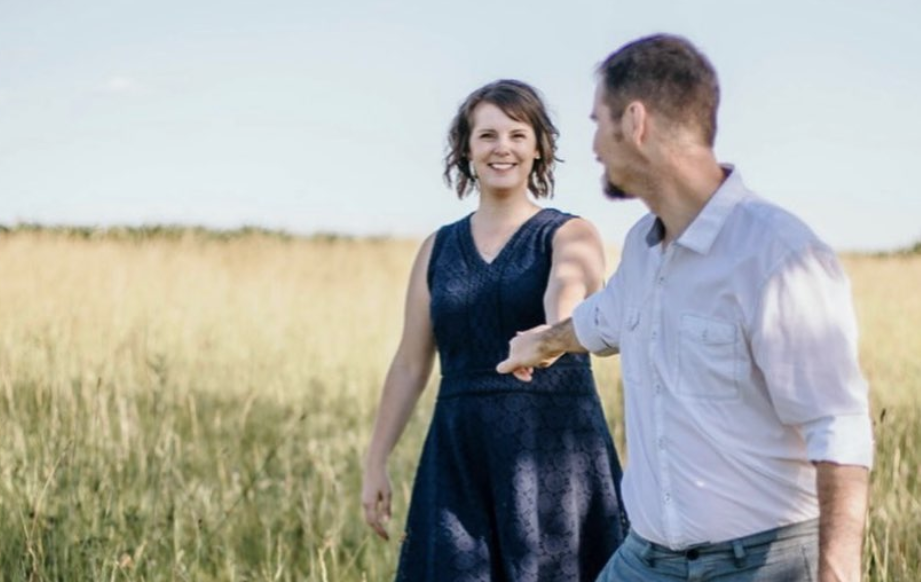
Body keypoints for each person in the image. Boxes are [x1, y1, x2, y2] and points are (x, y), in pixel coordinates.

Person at [497, 34, 872, 582]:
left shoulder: (778, 255)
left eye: (599, 123)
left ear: (636, 122)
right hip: (646, 561)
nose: (596, 146)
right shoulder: (644, 251)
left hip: (764, 564)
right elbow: (601, 320)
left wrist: (838, 571)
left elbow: (837, 425)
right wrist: (544, 342)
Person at [361, 79, 627, 581]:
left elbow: (567, 289)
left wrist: (548, 335)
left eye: (517, 134)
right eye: (487, 135)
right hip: (461, 456)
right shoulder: (436, 249)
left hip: (552, 457)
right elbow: (411, 364)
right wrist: (376, 461)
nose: (502, 147)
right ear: (466, 149)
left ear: (538, 148)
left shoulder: (571, 233)